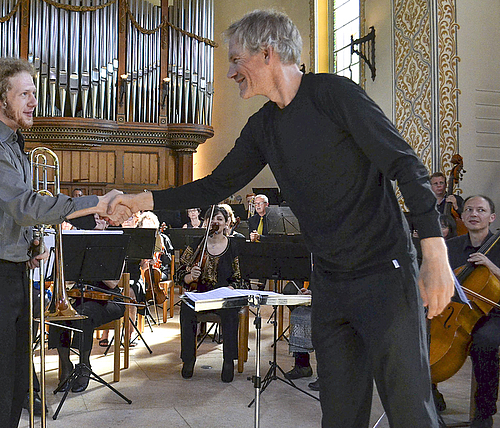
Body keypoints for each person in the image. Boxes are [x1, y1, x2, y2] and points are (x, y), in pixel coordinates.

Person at [108, 9, 454, 427]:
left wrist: (435, 256)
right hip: (330, 281)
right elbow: (213, 186)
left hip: (385, 273)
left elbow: (406, 166)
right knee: (340, 415)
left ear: (267, 52)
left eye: (236, 59)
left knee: (411, 412)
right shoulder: (263, 127)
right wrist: (140, 199)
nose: (231, 70)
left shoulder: (335, 95)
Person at [0, 57, 128, 428]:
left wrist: (28, 246)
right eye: (24, 93)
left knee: (16, 390)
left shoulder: (14, 145)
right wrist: (97, 203)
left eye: (34, 93)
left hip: (11, 275)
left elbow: (8, 215)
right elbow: (25, 206)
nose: (33, 101)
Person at [444, 195, 500, 428]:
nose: (474, 214)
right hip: (456, 311)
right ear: (463, 215)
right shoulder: (452, 246)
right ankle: (430, 399)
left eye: (480, 210)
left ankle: (484, 412)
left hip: (494, 313)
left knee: (484, 342)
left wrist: (491, 266)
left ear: (491, 217)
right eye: (468, 210)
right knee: (423, 336)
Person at [175, 205, 246, 383]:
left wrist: (231, 288)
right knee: (186, 309)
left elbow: (241, 278)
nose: (215, 222)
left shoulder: (233, 246)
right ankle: (188, 359)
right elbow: (179, 273)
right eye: (211, 219)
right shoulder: (197, 244)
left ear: (226, 223)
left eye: (220, 219)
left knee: (230, 313)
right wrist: (190, 277)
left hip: (224, 297)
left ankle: (228, 360)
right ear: (206, 223)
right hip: (200, 294)